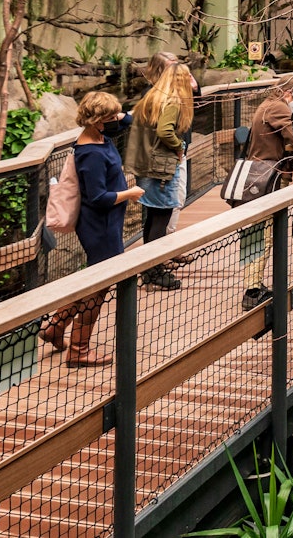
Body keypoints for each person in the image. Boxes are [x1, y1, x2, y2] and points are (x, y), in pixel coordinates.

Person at [39, 92, 145, 367]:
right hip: (99, 226)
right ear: (97, 121)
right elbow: (97, 198)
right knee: (98, 288)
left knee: (94, 282)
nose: (115, 121)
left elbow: (129, 120)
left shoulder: (100, 135)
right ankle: (78, 349)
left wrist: (119, 113)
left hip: (109, 224)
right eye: (109, 118)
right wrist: (129, 192)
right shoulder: (90, 154)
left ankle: (55, 327)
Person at [238, 75, 293, 311]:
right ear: (289, 93)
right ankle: (253, 291)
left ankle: (252, 285)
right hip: (269, 178)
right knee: (264, 234)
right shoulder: (278, 107)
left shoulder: (266, 104)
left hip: (258, 177)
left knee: (254, 233)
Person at [127, 63, 195, 289]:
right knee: (161, 217)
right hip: (161, 168)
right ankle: (153, 272)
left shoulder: (153, 97)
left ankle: (150, 269)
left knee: (153, 217)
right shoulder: (174, 101)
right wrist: (179, 146)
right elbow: (165, 130)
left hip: (146, 165)